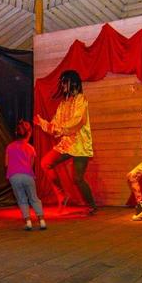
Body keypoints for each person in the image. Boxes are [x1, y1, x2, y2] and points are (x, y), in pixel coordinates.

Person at [34, 70, 97, 215]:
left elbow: (77, 122)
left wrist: (60, 129)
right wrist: (43, 123)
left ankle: (92, 206)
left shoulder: (81, 100)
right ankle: (62, 195)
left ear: (72, 83)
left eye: (64, 82)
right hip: (67, 143)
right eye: (62, 83)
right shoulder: (63, 104)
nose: (62, 85)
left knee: (77, 179)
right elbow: (55, 125)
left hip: (80, 144)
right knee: (46, 163)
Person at [6, 119, 47, 231]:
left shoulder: (9, 146)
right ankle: (42, 221)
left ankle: (28, 222)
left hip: (14, 176)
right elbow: (31, 165)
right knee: (34, 198)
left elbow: (6, 163)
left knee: (21, 199)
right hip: (27, 175)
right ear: (29, 133)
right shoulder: (31, 148)